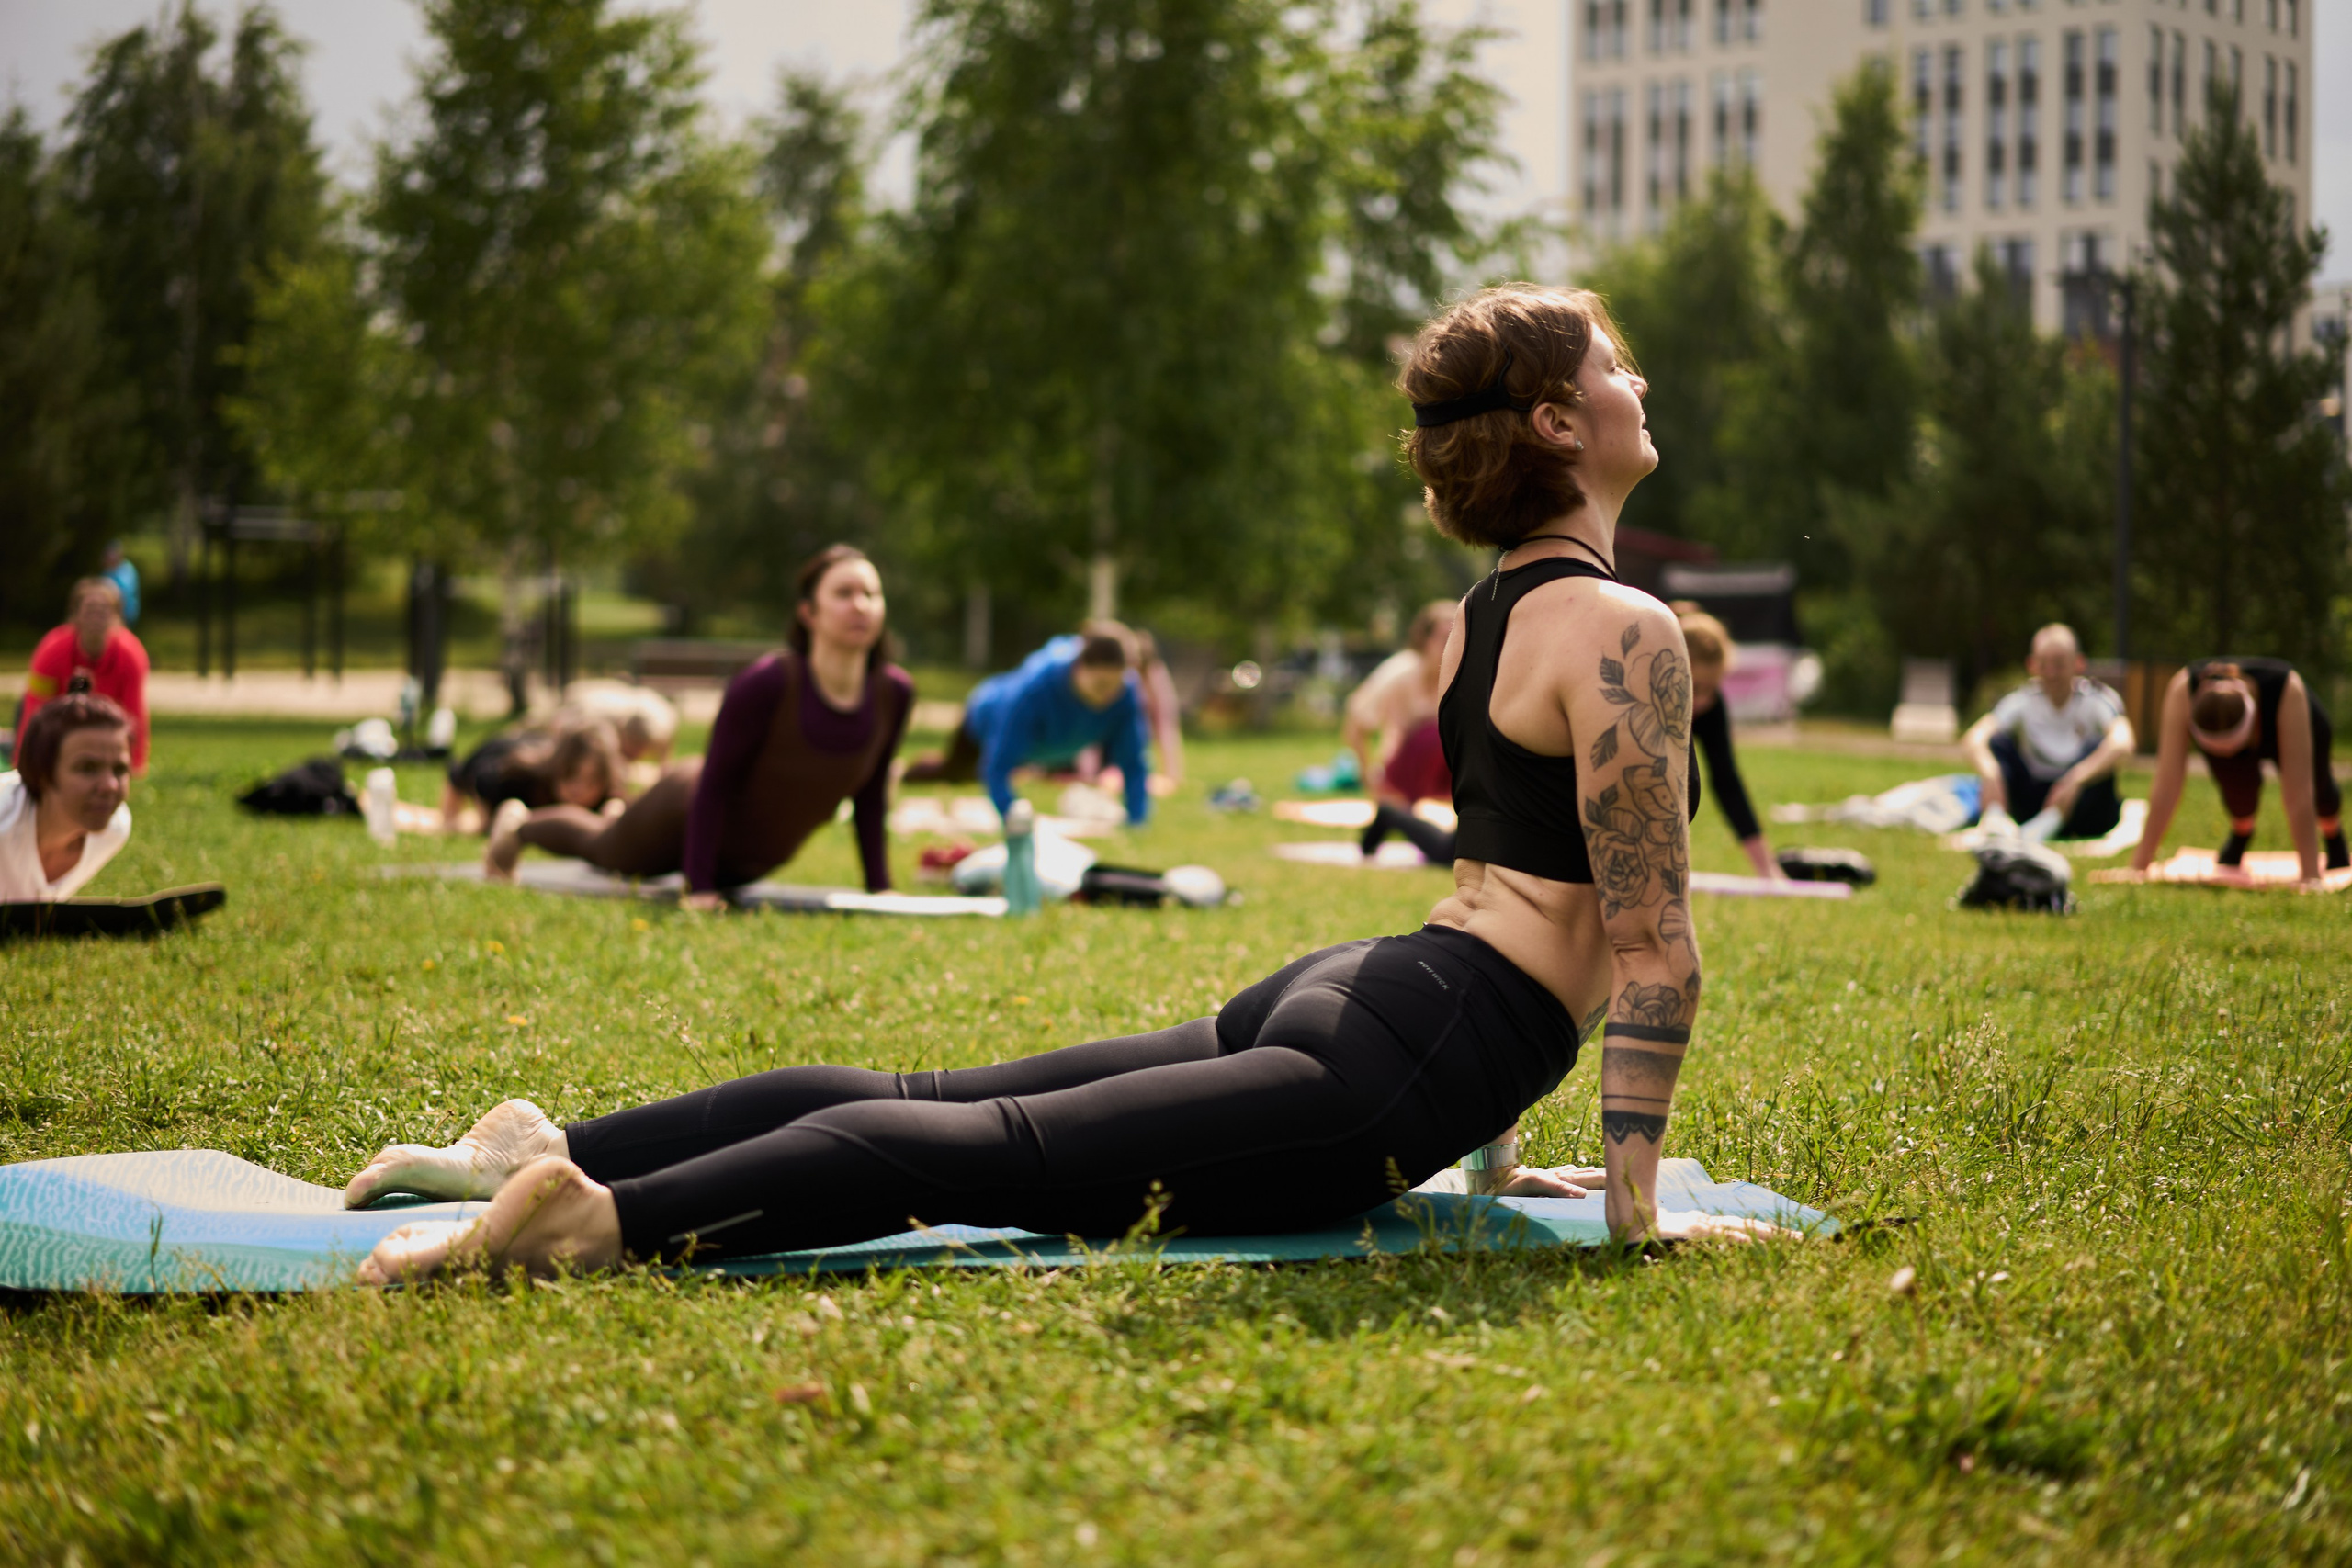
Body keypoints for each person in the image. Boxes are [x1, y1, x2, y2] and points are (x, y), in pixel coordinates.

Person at [344, 282, 1783, 1283]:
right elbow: (1647, 940)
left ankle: (545, 1146)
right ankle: (593, 1217)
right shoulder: (1626, 631)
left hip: (1375, 989)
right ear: (1555, 422)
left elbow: (1513, 880)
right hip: (1402, 1044)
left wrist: (1491, 1153)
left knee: (939, 1094)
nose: (1638, 385)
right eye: (1616, 367)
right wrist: (1633, 1210)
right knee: (996, 1152)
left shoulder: (1483, 615)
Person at [487, 546, 912, 903]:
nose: (860, 605)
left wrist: (879, 889)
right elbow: (715, 783)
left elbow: (871, 794)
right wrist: (700, 887)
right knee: (605, 849)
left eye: (870, 594)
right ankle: (520, 827)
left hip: (746, 860)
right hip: (682, 812)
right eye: (843, 593)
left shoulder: (894, 693)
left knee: (614, 842)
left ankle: (618, 814)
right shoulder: (767, 683)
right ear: (808, 612)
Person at [905, 626, 1153, 828]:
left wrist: (1137, 820)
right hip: (984, 720)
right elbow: (998, 766)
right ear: (1079, 668)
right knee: (956, 775)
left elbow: (1134, 762)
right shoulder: (1036, 687)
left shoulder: (1125, 693)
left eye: (1115, 686)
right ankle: (902, 772)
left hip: (1041, 749)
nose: (1109, 696)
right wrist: (1013, 817)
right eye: (1100, 685)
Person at [2130, 658, 2346, 882]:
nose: (2227, 757)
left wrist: (2310, 876)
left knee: (2321, 791)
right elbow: (2166, 786)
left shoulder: (2285, 688)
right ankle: (2242, 832)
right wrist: (2139, 866)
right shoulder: (2183, 689)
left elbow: (2299, 792)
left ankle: (2333, 835)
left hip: (2301, 723)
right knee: (2238, 792)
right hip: (2242, 726)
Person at [1962, 624, 2132, 842]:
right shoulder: (2021, 700)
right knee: (1997, 743)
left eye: (2059, 664)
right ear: (2032, 665)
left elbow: (2123, 743)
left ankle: (2046, 826)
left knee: (2097, 747)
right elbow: (1974, 738)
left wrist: (2076, 778)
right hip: (2034, 798)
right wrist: (1990, 772)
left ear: (2078, 663)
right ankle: (1996, 821)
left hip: (2083, 804)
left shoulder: (2096, 699)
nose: (2051, 673)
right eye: (2044, 664)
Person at [1674, 605, 1784, 880]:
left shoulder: (1710, 706)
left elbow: (1727, 782)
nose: (1702, 701)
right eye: (1695, 688)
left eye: (1712, 688)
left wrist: (1766, 868)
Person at [1, 677, 134, 901]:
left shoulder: (114, 829)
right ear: (42, 773)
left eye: (120, 769)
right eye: (88, 768)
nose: (110, 786)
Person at [1351, 601, 1460, 861]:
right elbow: (1356, 725)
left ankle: (1390, 819)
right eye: (1444, 637)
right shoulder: (1401, 672)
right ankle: (1391, 814)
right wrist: (1371, 782)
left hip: (1439, 769)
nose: (1451, 645)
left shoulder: (1463, 672)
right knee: (1433, 734)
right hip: (1406, 768)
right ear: (1424, 640)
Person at [23, 580, 150, 776]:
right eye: (90, 609)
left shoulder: (131, 655)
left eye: (104, 610)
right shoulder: (50, 650)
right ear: (75, 615)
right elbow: (35, 709)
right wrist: (25, 759)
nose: (96, 617)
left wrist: (135, 764)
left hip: (105, 730)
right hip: (55, 728)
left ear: (116, 617)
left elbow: (134, 713)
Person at [441, 716, 624, 840]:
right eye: (571, 776)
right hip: (490, 757)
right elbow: (480, 778)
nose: (579, 789)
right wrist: (486, 821)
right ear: (557, 769)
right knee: (458, 823)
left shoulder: (604, 797)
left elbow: (617, 807)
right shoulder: (525, 776)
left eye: (591, 782)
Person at [101, 542, 141, 627]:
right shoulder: (107, 571)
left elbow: (125, 592)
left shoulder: (127, 569)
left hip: (126, 612)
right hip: (111, 611)